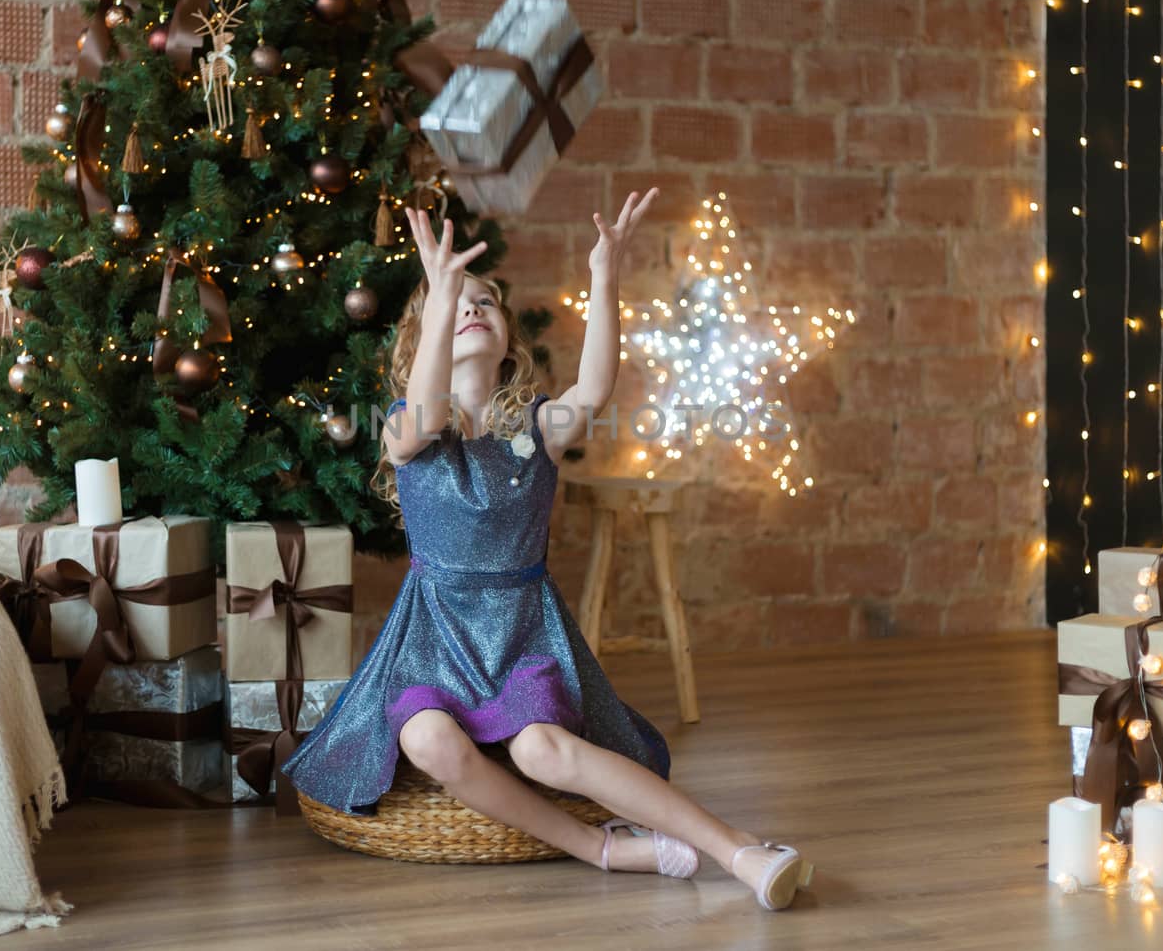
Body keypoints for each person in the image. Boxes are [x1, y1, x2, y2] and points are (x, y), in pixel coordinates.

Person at [282, 191, 814, 911]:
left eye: (487, 302)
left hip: (523, 630)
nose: (474, 307)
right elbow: (431, 407)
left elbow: (595, 384)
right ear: (421, 342)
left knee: (541, 750)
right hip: (433, 639)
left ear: (507, 341)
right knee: (431, 742)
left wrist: (605, 272)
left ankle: (740, 850)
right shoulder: (408, 426)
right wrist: (440, 292)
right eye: (457, 303)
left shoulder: (538, 426)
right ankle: (599, 846)